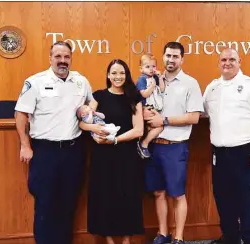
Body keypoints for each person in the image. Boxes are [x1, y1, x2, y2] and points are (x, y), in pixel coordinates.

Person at [14, 41, 97, 244]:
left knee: (69, 202)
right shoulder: (35, 82)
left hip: (73, 150)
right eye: (58, 56)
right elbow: (21, 114)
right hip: (45, 152)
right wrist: (25, 144)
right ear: (50, 58)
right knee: (45, 203)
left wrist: (90, 109)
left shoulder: (80, 81)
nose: (62, 61)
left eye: (66, 57)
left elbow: (91, 100)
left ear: (71, 59)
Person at [203, 48, 250, 244]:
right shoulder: (212, 88)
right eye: (223, 59)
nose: (227, 63)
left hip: (245, 154)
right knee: (223, 201)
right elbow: (202, 113)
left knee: (248, 203)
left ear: (239, 61)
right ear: (218, 63)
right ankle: (230, 239)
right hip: (219, 155)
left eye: (232, 59)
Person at [145, 42, 204, 244]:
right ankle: (163, 233)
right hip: (154, 146)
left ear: (182, 59)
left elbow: (194, 117)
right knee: (158, 192)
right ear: (163, 56)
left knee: (177, 194)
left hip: (175, 147)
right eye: (168, 55)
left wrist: (164, 120)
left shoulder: (190, 83)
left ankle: (178, 237)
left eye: (175, 56)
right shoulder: (151, 80)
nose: (171, 60)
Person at [80, 59, 144, 244]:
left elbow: (138, 130)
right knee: (104, 196)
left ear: (127, 75)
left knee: (127, 196)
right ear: (108, 75)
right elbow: (83, 122)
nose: (118, 77)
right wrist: (94, 129)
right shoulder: (98, 96)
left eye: (122, 73)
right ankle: (108, 240)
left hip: (126, 154)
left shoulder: (134, 97)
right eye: (114, 73)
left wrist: (115, 139)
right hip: (102, 156)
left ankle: (126, 240)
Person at [136, 53, 165, 159]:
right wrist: (152, 86)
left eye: (153, 66)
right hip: (147, 107)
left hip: (155, 107)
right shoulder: (142, 79)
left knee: (154, 127)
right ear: (141, 69)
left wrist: (160, 78)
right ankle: (144, 143)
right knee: (160, 126)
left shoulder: (155, 78)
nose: (151, 69)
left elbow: (162, 89)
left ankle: (143, 142)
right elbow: (144, 94)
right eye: (147, 67)